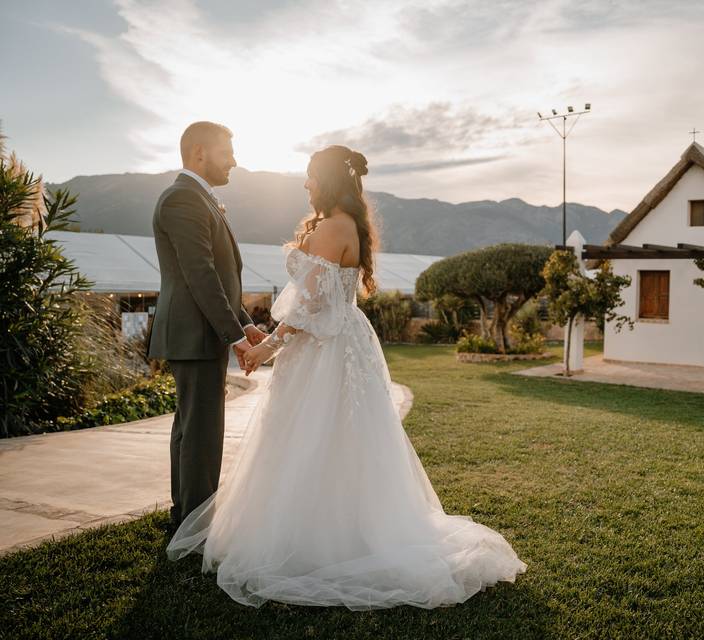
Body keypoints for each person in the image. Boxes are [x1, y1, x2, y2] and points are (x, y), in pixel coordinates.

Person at [167, 145, 527, 609]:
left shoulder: (331, 227)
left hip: (324, 347)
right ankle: (347, 526)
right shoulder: (349, 225)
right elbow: (321, 303)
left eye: (311, 177)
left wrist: (266, 347)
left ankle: (316, 541)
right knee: (344, 438)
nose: (305, 185)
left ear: (328, 181)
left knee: (312, 438)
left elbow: (308, 309)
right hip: (343, 341)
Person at [147, 121, 266, 528]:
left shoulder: (200, 198)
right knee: (201, 432)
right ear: (200, 152)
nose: (234, 161)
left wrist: (245, 323)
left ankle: (185, 516)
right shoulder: (183, 199)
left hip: (199, 330)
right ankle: (195, 526)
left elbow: (219, 275)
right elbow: (200, 274)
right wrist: (234, 335)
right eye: (227, 152)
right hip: (194, 332)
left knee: (193, 427)